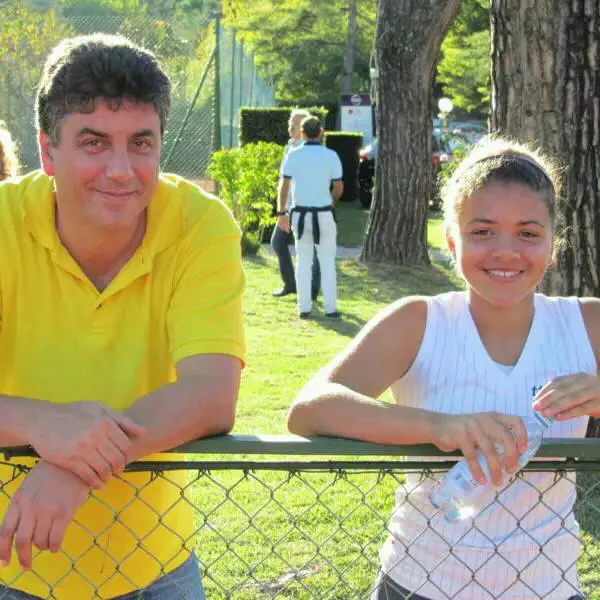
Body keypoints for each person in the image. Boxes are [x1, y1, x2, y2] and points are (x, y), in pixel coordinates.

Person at [287, 136, 597, 599]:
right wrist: (440, 427)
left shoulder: (586, 323)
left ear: (554, 243)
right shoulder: (419, 320)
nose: (506, 252)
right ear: (452, 241)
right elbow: (310, 410)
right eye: (482, 231)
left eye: (528, 233)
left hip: (548, 587)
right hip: (421, 584)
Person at [0, 33, 245, 600]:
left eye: (141, 142)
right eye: (93, 142)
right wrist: (44, 424)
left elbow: (211, 394)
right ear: (46, 150)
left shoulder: (199, 224)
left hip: (155, 566)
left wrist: (72, 464)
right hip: (13, 563)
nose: (121, 169)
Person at [278, 116, 343, 318]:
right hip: (323, 213)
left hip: (300, 214)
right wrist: (331, 203)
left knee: (303, 261)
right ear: (321, 132)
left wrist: (281, 212)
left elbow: (284, 186)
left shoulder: (294, 155)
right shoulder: (331, 155)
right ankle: (330, 308)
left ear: (303, 133)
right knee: (327, 262)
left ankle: (304, 307)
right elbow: (339, 186)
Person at [271, 109, 320, 300]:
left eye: (295, 122)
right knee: (278, 243)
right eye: (291, 120)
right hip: (289, 207)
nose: (290, 124)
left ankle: (312, 290)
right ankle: (291, 284)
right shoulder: (290, 146)